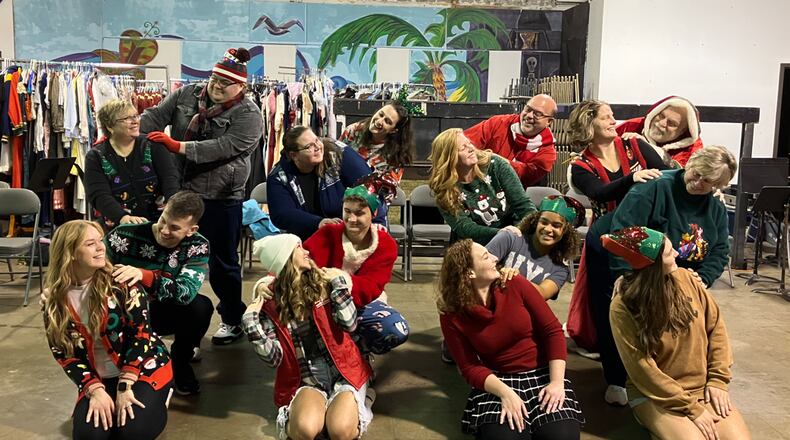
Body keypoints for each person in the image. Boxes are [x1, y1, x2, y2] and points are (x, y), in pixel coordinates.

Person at [140, 47, 263, 345]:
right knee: (169, 257)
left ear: (241, 87)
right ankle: (171, 318)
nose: (217, 86)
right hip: (181, 192)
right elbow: (155, 115)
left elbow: (226, 147)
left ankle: (232, 318)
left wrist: (177, 146)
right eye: (214, 79)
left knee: (223, 264)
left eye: (226, 83)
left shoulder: (250, 115)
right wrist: (129, 132)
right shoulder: (186, 95)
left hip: (222, 197)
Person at [604, 226, 751, 440]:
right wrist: (692, 408)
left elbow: (716, 329)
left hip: (702, 388)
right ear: (651, 266)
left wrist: (718, 380)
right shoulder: (623, 306)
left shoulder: (688, 279)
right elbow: (642, 370)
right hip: (655, 395)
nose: (676, 254)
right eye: (668, 252)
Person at [438, 239, 584, 440]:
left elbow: (553, 331)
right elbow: (469, 367)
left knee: (561, 436)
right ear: (469, 273)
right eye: (485, 256)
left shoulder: (514, 283)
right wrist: (506, 394)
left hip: (542, 374)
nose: (495, 258)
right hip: (498, 380)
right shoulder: (452, 314)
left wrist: (557, 382)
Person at [42, 220, 173, 439]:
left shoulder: (122, 283)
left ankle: (161, 394)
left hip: (141, 369)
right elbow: (65, 354)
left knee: (132, 432)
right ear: (71, 253)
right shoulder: (55, 300)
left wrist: (125, 385)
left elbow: (141, 335)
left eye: (100, 240)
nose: (101, 247)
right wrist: (94, 389)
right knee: (90, 437)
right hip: (98, 376)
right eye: (90, 243)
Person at [242, 234, 373, 440]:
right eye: (299, 248)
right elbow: (274, 358)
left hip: (345, 373)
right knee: (305, 430)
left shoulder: (326, 282)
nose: (306, 252)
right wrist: (251, 324)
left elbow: (350, 324)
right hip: (307, 379)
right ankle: (321, 409)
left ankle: (363, 401)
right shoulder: (270, 304)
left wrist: (339, 285)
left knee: (339, 432)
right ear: (284, 258)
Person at [104, 191, 213, 396]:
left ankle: (180, 361)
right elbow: (95, 266)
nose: (164, 230)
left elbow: (185, 293)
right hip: (122, 311)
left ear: (192, 230)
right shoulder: (124, 235)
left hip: (160, 312)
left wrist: (144, 275)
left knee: (201, 307)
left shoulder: (197, 246)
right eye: (163, 220)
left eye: (174, 228)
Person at [303, 183, 409, 354]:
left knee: (396, 329)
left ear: (373, 214)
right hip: (321, 301)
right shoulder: (328, 233)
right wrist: (269, 282)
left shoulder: (385, 244)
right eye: (347, 211)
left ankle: (360, 351)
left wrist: (340, 279)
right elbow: (298, 258)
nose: (352, 219)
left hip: (363, 304)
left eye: (359, 213)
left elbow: (372, 287)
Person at [267, 125, 386, 240]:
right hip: (305, 237)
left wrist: (378, 221)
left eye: (317, 140)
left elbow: (370, 185)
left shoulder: (339, 154)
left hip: (349, 231)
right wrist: (318, 223)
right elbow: (282, 213)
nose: (317, 147)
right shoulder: (278, 176)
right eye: (309, 146)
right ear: (294, 155)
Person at [429, 128, 537, 245]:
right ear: (449, 158)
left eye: (469, 143)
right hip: (473, 245)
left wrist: (534, 229)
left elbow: (523, 205)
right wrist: (501, 233)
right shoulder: (443, 188)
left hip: (514, 236)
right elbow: (464, 227)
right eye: (463, 148)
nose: (471, 149)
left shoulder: (496, 165)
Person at [567, 99, 669, 221]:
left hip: (646, 225)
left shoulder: (634, 144)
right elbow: (599, 193)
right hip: (606, 231)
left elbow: (666, 173)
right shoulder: (580, 165)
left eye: (612, 116)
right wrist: (632, 178)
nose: (614, 122)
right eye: (606, 118)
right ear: (588, 124)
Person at [85, 99, 179, 230]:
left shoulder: (154, 146)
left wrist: (172, 210)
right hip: (119, 228)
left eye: (135, 116)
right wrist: (122, 217)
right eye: (126, 118)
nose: (135, 121)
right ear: (110, 127)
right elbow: (99, 195)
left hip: (160, 225)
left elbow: (170, 180)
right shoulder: (96, 156)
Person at [486, 195, 584, 301]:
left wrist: (515, 279)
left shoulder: (560, 270)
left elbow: (542, 294)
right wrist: (500, 273)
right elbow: (477, 267)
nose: (548, 229)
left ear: (565, 232)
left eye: (556, 226)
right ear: (535, 221)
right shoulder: (510, 238)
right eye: (544, 222)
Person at [464, 94, 558, 187]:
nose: (529, 115)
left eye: (537, 114)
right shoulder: (498, 123)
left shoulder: (547, 154)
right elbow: (464, 144)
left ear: (549, 122)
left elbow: (521, 176)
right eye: (528, 109)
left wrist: (490, 158)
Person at [339, 101, 414, 188]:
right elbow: (334, 159)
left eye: (387, 121)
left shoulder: (396, 155)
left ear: (393, 130)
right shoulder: (353, 131)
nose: (379, 121)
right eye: (381, 114)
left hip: (367, 197)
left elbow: (388, 190)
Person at [616, 95, 703, 167]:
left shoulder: (693, 150)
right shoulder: (632, 125)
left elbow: (680, 177)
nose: (662, 123)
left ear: (682, 132)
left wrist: (644, 146)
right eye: (661, 116)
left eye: (671, 123)